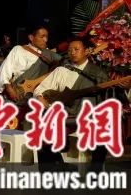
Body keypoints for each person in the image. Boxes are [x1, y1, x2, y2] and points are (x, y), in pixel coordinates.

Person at [34, 38, 131, 172]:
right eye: (70, 50)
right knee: (43, 134)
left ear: (85, 51)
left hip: (89, 115)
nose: (72, 52)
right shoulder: (61, 70)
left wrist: (125, 88)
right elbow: (40, 89)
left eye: (76, 49)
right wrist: (41, 98)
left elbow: (111, 93)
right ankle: (59, 168)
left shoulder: (98, 72)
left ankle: (95, 171)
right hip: (65, 114)